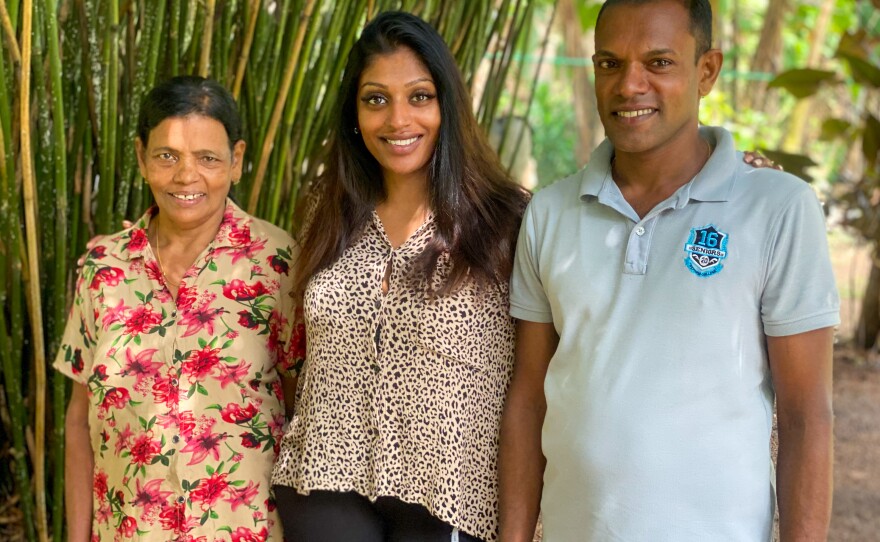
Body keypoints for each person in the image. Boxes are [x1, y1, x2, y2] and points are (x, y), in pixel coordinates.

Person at [498, 1, 839, 541]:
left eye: (658, 62)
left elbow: (805, 416)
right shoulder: (551, 211)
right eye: (609, 64)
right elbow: (528, 398)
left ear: (707, 71)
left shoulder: (776, 208)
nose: (629, 84)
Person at [270, 11, 530, 542]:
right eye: (375, 99)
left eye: (419, 96)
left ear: (447, 105)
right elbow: (296, 352)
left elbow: (532, 381)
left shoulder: (507, 221)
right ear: (354, 111)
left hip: (452, 496)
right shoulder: (326, 207)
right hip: (325, 479)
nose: (397, 120)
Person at [56, 76, 299, 541]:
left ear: (238, 161)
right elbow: (78, 423)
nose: (186, 176)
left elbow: (298, 406)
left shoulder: (276, 262)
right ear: (141, 158)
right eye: (167, 156)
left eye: (207, 158)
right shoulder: (103, 267)